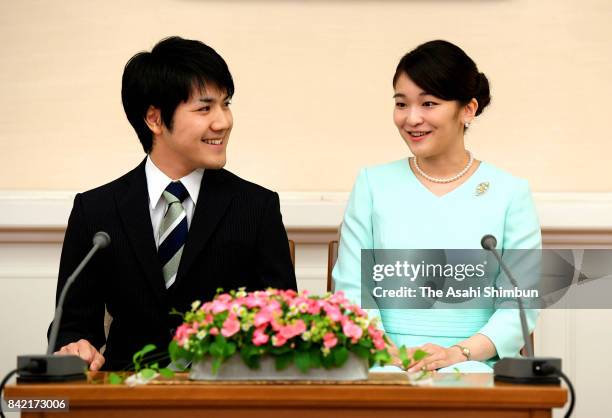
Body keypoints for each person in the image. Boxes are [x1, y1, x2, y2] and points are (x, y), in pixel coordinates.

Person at [51, 36, 297, 371]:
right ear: (154, 119)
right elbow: (72, 326)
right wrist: (76, 347)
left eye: (226, 104)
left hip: (224, 396)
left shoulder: (256, 208)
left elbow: (284, 326)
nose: (223, 122)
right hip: (124, 395)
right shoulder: (95, 211)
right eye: (204, 108)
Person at [333, 40, 540, 373]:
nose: (412, 118)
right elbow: (352, 291)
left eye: (428, 103)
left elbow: (520, 302)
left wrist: (458, 353)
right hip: (384, 361)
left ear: (468, 109)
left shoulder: (509, 193)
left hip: (476, 361)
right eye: (402, 104)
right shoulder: (373, 185)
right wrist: (388, 353)